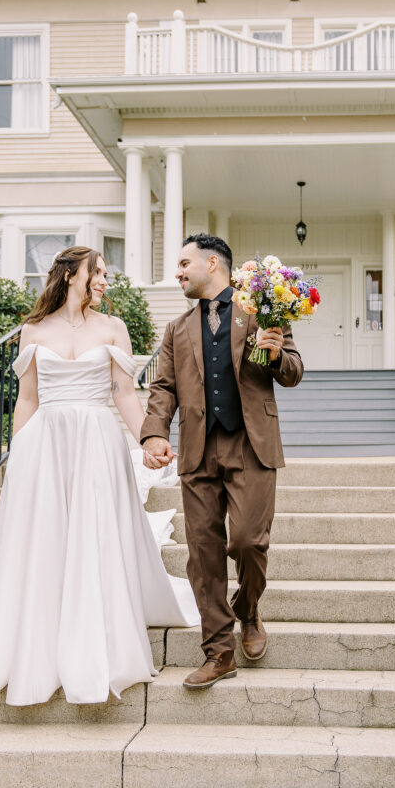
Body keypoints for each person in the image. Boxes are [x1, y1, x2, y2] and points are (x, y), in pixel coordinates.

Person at [0, 246, 198, 707]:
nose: (105, 281)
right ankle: (41, 645)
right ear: (73, 274)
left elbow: (125, 394)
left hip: (97, 441)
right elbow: (28, 400)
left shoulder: (113, 328)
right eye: (99, 272)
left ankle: (97, 647)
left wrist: (149, 441)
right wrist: (17, 455)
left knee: (94, 539)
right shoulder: (33, 329)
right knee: (48, 541)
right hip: (45, 446)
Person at [141, 234, 303, 689]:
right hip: (197, 448)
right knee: (204, 554)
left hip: (251, 443)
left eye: (183, 263)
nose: (177, 272)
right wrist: (154, 433)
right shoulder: (176, 329)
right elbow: (164, 388)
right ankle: (218, 651)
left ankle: (248, 608)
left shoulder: (263, 310)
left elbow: (293, 371)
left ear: (213, 264)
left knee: (249, 541)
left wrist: (274, 354)